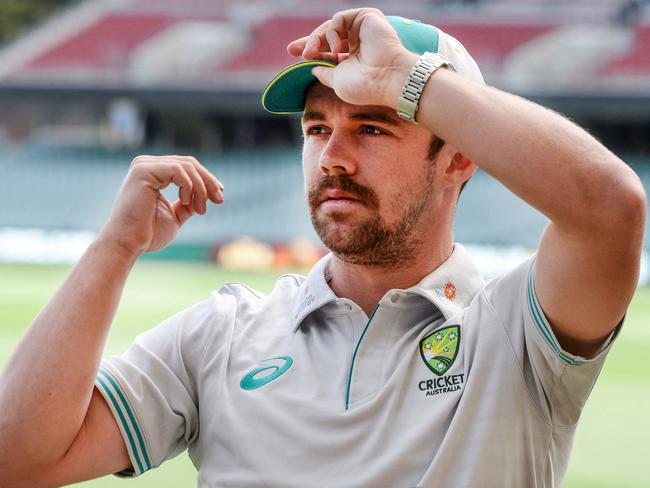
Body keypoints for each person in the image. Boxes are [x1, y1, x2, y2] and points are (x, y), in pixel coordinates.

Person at [0, 8, 646, 488]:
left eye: (371, 127)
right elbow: (19, 459)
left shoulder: (520, 330)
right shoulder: (219, 334)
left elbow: (610, 209)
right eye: (317, 128)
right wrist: (114, 247)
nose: (332, 158)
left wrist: (404, 77)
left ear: (458, 160)